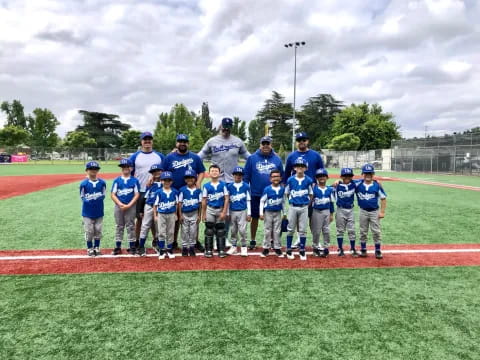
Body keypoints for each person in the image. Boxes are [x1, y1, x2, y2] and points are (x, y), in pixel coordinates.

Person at [162, 134, 205, 251]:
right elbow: (162, 172)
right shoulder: (169, 157)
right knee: (176, 217)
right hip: (174, 191)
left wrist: (199, 182)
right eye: (180, 141)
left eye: (185, 141)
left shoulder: (195, 157)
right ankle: (174, 241)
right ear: (176, 143)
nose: (182, 143)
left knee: (194, 217)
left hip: (191, 191)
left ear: (188, 144)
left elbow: (201, 171)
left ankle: (194, 241)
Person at [283, 132, 324, 249]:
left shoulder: (315, 155)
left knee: (313, 218)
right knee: (297, 217)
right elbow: (286, 175)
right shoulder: (291, 156)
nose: (302, 142)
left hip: (312, 191)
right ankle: (298, 239)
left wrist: (319, 187)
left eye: (304, 140)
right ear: (297, 142)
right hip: (297, 192)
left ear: (308, 141)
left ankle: (316, 242)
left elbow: (322, 173)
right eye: (299, 140)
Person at [243, 136, 284, 250]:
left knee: (272, 219)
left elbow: (282, 175)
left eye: (268, 143)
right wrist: (246, 190)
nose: (266, 146)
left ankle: (272, 240)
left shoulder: (277, 159)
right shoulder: (252, 158)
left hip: (272, 195)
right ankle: (253, 239)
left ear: (271, 145)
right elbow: (246, 176)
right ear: (260, 145)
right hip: (256, 193)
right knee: (255, 218)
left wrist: (281, 189)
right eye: (263, 143)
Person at [129, 131, 165, 249]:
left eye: (149, 139)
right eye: (145, 139)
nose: (147, 141)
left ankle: (156, 239)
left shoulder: (159, 156)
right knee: (139, 218)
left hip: (156, 189)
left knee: (155, 217)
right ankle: (137, 241)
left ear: (152, 141)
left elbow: (165, 171)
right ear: (141, 141)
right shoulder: (135, 156)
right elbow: (129, 172)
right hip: (140, 191)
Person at [198, 117, 250, 183]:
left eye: (228, 127)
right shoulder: (212, 141)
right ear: (221, 126)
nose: (226, 129)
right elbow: (199, 157)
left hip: (233, 180)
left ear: (231, 128)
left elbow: (249, 157)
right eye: (225, 126)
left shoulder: (238, 141)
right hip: (217, 180)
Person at [356, 164, 387, 259]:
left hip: (374, 211)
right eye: (366, 173)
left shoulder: (377, 185)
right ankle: (363, 249)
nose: (368, 175)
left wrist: (382, 212)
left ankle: (377, 250)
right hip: (363, 211)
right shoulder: (358, 184)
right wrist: (337, 181)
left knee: (376, 231)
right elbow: (347, 182)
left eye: (370, 173)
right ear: (362, 174)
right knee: (363, 231)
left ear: (373, 174)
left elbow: (383, 198)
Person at [284, 157, 314, 260]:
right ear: (295, 168)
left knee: (303, 229)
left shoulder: (308, 180)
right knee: (290, 228)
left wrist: (306, 204)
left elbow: (311, 194)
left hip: (304, 207)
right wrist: (292, 202)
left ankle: (302, 250)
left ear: (305, 168)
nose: (300, 168)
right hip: (293, 207)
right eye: (298, 166)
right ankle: (288, 249)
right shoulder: (291, 179)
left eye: (302, 166)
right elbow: (287, 193)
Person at [111, 159, 140, 255]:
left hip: (130, 206)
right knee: (119, 226)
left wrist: (129, 205)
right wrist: (120, 204)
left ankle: (132, 246)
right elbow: (113, 194)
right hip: (119, 206)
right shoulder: (117, 180)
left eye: (127, 167)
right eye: (123, 167)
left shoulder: (134, 180)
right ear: (121, 168)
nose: (125, 169)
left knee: (131, 226)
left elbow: (136, 194)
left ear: (131, 168)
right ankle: (118, 246)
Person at [201, 164, 229, 258]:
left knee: (220, 230)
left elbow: (226, 198)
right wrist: (203, 213)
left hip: (220, 209)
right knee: (209, 229)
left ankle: (221, 249)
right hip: (210, 209)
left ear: (219, 173)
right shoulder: (206, 186)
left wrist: (224, 212)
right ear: (209, 173)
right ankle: (208, 249)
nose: (214, 172)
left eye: (216, 171)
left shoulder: (223, 185)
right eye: (212, 171)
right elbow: (204, 200)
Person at [79, 161, 106, 256]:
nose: (93, 171)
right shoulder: (84, 184)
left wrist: (96, 198)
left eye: (95, 169)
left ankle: (97, 247)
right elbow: (82, 196)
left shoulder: (102, 183)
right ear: (87, 170)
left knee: (98, 229)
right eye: (91, 169)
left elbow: (103, 194)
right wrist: (88, 200)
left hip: (99, 210)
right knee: (89, 231)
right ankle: (90, 248)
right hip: (87, 212)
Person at [137, 164, 163, 256]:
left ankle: (159, 245)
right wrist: (141, 210)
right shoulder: (150, 184)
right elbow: (144, 197)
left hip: (161, 207)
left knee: (159, 227)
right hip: (149, 205)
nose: (156, 173)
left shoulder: (165, 183)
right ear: (151, 173)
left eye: (158, 171)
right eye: (154, 171)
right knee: (145, 225)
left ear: (161, 171)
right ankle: (141, 246)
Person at [332, 168, 359, 257]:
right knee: (340, 230)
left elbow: (364, 180)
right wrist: (335, 182)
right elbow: (327, 188)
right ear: (341, 177)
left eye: (349, 176)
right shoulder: (337, 186)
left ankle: (352, 248)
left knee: (352, 230)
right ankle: (340, 248)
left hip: (350, 210)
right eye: (345, 176)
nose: (347, 177)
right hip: (340, 210)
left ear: (351, 177)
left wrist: (375, 180)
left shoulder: (354, 184)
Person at [259, 169, 285, 258]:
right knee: (267, 230)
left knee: (277, 231)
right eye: (273, 176)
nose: (275, 178)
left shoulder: (282, 189)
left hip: (278, 212)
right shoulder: (267, 189)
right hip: (268, 212)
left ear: (280, 178)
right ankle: (266, 248)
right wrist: (261, 213)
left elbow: (283, 202)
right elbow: (262, 201)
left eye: (277, 176)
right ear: (270, 179)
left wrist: (284, 213)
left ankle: (277, 247)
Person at [226, 167, 251, 256]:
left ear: (242, 176)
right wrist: (228, 213)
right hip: (232, 211)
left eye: (240, 175)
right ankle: (234, 247)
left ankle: (244, 247)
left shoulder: (246, 186)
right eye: (236, 174)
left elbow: (248, 200)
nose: (238, 176)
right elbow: (228, 200)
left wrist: (249, 213)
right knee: (233, 230)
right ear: (233, 175)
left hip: (242, 211)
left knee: (242, 230)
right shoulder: (229, 186)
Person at [154, 171, 179, 260]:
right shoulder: (158, 192)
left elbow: (176, 204)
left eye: (169, 180)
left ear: (171, 181)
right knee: (161, 232)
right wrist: (155, 215)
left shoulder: (175, 192)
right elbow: (155, 205)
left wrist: (176, 214)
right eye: (165, 180)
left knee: (171, 232)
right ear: (161, 181)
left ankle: (169, 249)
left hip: (171, 214)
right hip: (161, 214)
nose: (167, 182)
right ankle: (161, 250)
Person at [178, 169, 203, 257]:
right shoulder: (182, 190)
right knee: (184, 231)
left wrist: (199, 215)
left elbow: (200, 204)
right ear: (185, 179)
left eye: (191, 177)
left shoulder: (198, 190)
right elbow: (180, 203)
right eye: (187, 178)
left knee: (193, 231)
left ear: (195, 179)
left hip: (194, 213)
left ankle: (192, 246)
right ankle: (184, 247)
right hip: (185, 213)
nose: (189, 179)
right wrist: (180, 215)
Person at [310, 168, 335, 257]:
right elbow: (310, 201)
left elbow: (331, 203)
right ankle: (315, 247)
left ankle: (326, 248)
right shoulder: (314, 188)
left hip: (326, 211)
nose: (321, 178)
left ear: (327, 178)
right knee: (316, 231)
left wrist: (331, 214)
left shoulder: (329, 189)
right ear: (317, 178)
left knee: (326, 230)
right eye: (319, 176)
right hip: (316, 211)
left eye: (323, 176)